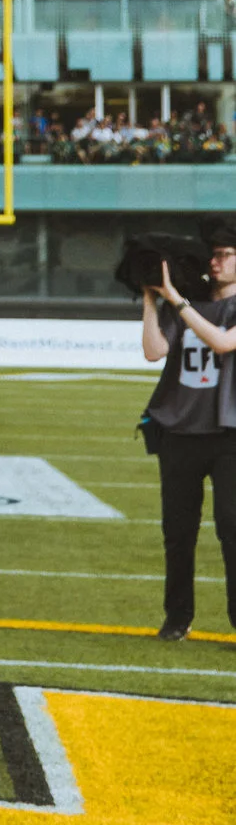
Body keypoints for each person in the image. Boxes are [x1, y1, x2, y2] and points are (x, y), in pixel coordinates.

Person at [138, 219, 236, 640]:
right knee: (177, 534)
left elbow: (222, 342)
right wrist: (149, 298)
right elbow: (153, 351)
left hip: (229, 435)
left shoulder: (202, 306)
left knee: (232, 532)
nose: (214, 262)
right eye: (212, 255)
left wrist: (177, 301)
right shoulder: (186, 303)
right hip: (179, 434)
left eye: (224, 255)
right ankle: (178, 618)